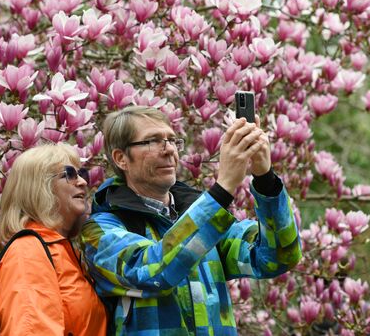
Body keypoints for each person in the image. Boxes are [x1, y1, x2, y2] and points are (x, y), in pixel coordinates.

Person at [82, 106, 302, 335]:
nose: (168, 150)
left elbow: (278, 257)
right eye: (152, 141)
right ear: (121, 158)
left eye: (172, 140)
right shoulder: (100, 230)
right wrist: (223, 188)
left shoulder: (206, 222)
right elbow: (153, 273)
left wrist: (264, 177)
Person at [0, 143, 107, 335]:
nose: (82, 182)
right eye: (69, 174)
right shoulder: (28, 251)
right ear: (39, 188)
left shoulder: (65, 251)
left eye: (81, 174)